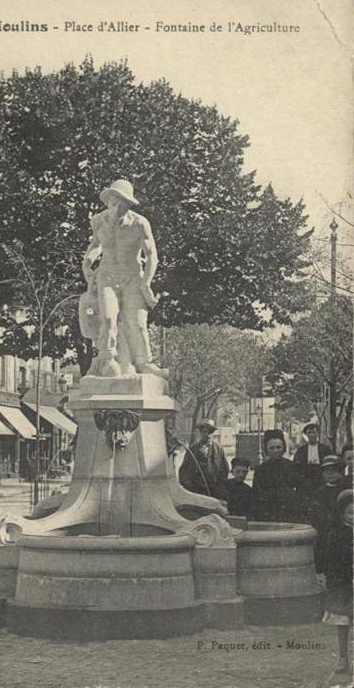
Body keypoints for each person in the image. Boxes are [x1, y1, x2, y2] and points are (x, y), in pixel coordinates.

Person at [81, 179, 166, 378]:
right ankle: (108, 358)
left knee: (136, 323)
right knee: (108, 318)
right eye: (113, 203)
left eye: (121, 204)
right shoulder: (99, 222)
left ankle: (144, 362)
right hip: (107, 276)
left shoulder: (139, 224)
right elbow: (95, 245)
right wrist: (87, 263)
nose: (116, 207)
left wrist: (146, 283)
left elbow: (152, 254)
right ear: (108, 202)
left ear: (128, 204)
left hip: (132, 277)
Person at [322, 489, 353, 674]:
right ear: (342, 514)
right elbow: (330, 562)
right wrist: (334, 582)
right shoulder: (336, 535)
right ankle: (343, 657)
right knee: (343, 623)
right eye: (350, 512)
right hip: (343, 585)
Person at [250, 429, 300, 522]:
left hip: (289, 512)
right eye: (271, 448)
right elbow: (256, 494)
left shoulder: (292, 466)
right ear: (266, 450)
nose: (275, 450)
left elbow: (299, 489)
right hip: (268, 512)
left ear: (284, 448)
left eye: (278, 447)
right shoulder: (260, 470)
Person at [308, 455, 346, 573]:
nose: (330, 474)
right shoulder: (319, 493)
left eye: (334, 470)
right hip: (324, 534)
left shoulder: (346, 490)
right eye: (326, 471)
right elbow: (315, 514)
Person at [178, 420, 229, 500]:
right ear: (200, 432)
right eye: (205, 431)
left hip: (214, 490)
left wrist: (220, 484)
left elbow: (225, 469)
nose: (207, 434)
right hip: (197, 490)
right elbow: (184, 469)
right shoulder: (193, 449)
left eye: (210, 432)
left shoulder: (219, 449)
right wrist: (189, 486)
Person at [293, 423, 332, 514]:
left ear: (317, 434)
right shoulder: (301, 451)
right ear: (306, 435)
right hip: (306, 480)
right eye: (309, 433)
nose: (312, 435)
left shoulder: (325, 449)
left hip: (321, 479)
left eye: (314, 432)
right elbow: (296, 467)